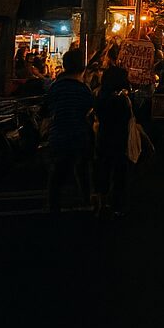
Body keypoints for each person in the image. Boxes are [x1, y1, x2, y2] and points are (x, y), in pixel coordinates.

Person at [45, 49, 96, 213]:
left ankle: (54, 205)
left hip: (58, 133)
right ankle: (86, 199)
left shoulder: (55, 87)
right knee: (82, 168)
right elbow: (90, 110)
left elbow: (47, 109)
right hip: (79, 134)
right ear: (82, 68)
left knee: (58, 171)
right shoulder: (83, 89)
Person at [93, 61, 134, 218]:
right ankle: (116, 205)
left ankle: (101, 203)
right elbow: (128, 119)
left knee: (103, 169)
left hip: (103, 138)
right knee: (119, 174)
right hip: (119, 140)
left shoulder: (99, 95)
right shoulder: (120, 100)